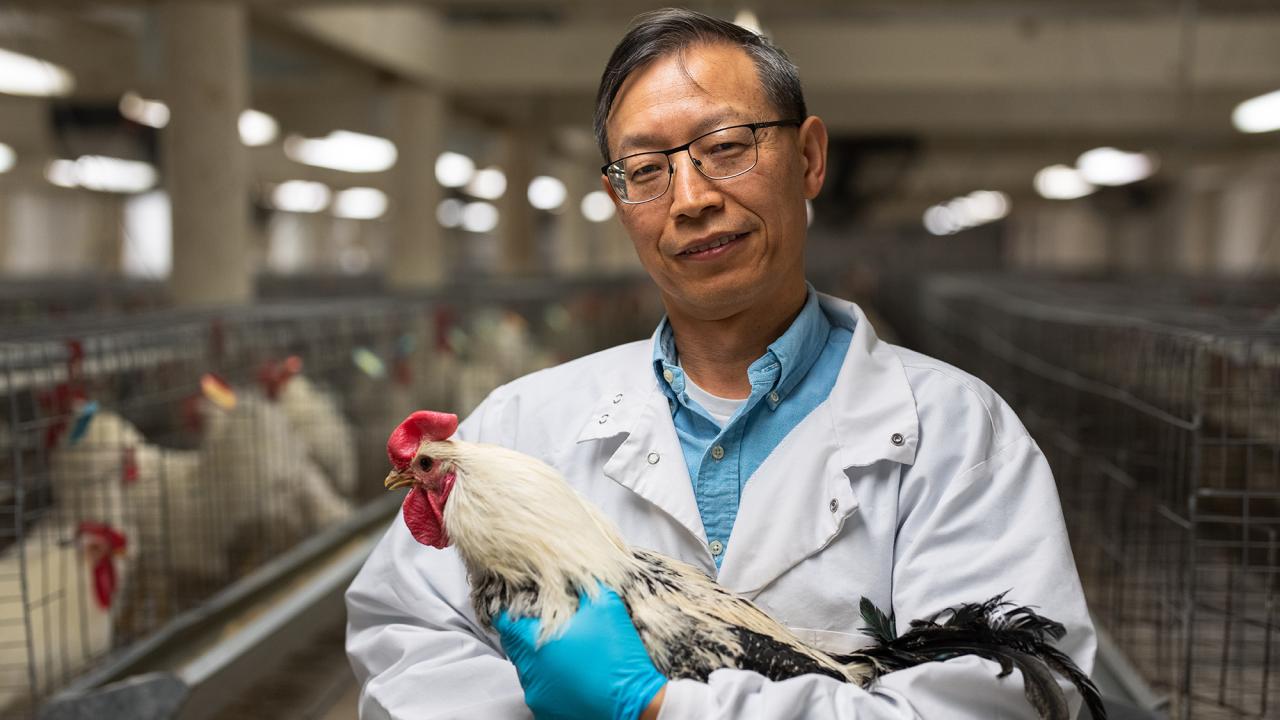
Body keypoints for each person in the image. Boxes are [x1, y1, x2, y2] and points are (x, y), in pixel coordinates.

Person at [346, 8, 1096, 720]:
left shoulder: (960, 434)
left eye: (727, 148)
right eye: (646, 169)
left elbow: (997, 702)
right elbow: (407, 649)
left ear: (807, 158)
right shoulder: (518, 425)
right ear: (618, 198)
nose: (691, 199)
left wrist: (658, 710)